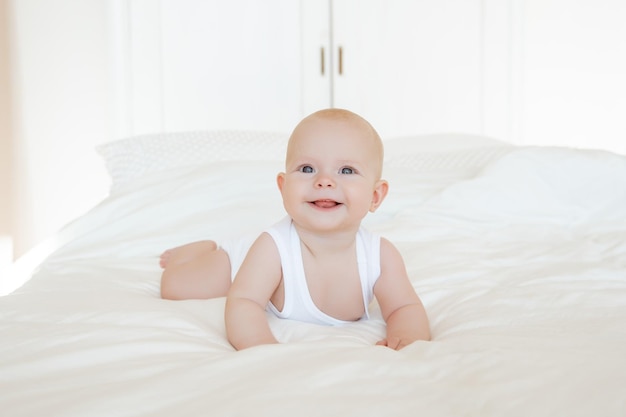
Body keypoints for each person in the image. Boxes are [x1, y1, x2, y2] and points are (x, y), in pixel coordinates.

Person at [160, 108, 431, 350]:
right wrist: (260, 345)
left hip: (259, 257)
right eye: (307, 168)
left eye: (346, 171)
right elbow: (244, 302)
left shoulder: (380, 256)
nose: (324, 181)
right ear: (283, 186)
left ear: (375, 196)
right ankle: (203, 248)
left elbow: (403, 307)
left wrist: (407, 337)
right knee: (174, 286)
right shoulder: (271, 247)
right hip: (242, 261)